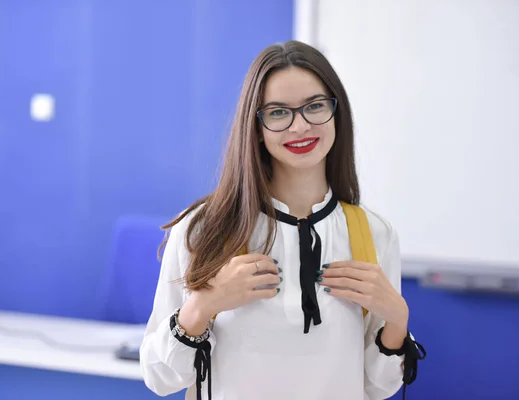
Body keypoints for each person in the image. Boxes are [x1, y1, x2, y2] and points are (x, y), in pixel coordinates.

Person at [139, 40, 425, 400]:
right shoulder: (201, 229)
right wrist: (202, 307)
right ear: (255, 126)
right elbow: (160, 378)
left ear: (337, 112)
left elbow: (377, 386)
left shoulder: (374, 235)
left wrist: (397, 319)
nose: (300, 126)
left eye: (315, 106)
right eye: (278, 112)